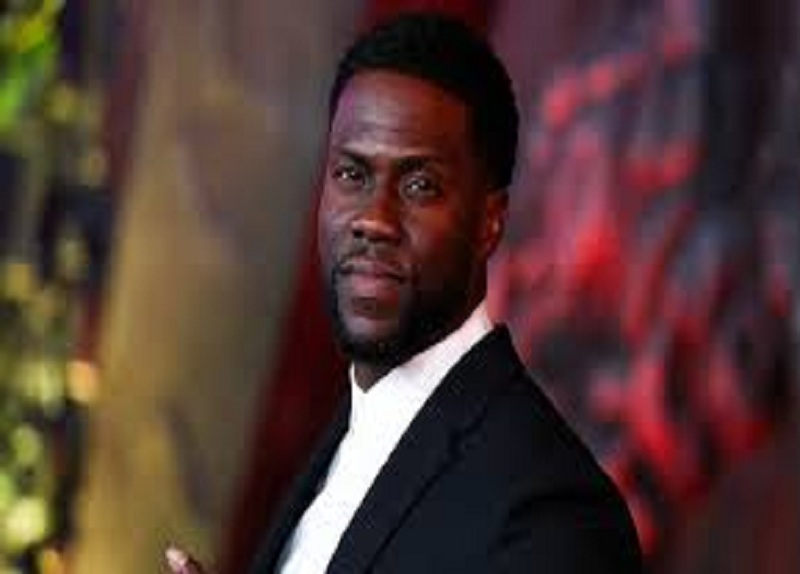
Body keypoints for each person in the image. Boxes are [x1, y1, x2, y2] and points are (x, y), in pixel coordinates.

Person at [166, 11, 643, 574]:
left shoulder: (552, 513)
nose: (374, 219)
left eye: (419, 185)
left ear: (489, 221)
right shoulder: (347, 434)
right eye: (352, 175)